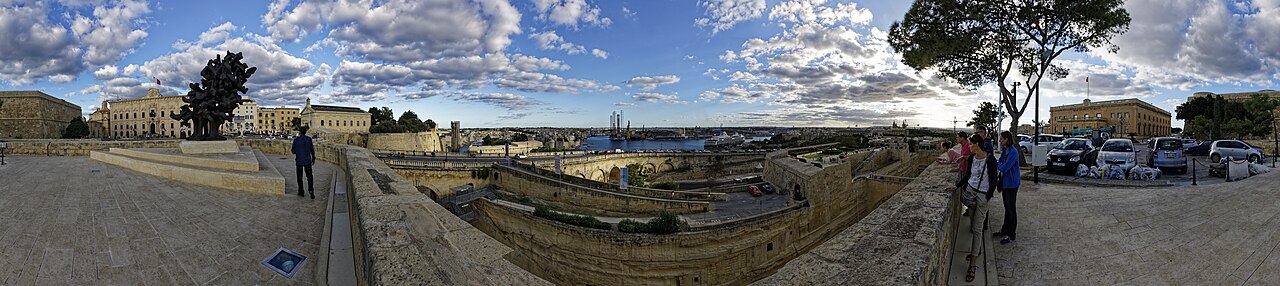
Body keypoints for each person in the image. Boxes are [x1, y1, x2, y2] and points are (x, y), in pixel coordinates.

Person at [944, 134, 997, 282]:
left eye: (971, 144)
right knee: (974, 227)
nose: (969, 146)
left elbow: (994, 179)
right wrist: (957, 186)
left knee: (978, 228)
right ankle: (977, 249)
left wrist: (987, 196)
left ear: (977, 144)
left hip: (982, 197)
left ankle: (972, 264)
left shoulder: (990, 159)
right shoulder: (973, 158)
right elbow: (968, 176)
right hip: (970, 194)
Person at [995, 131, 1021, 244]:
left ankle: (1011, 234)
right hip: (1006, 183)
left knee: (1011, 209)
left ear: (1006, 139)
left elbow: (1004, 167)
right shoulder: (1005, 150)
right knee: (1007, 207)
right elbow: (1000, 161)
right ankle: (1004, 230)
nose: (1000, 140)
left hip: (1011, 184)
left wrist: (998, 165)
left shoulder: (1013, 152)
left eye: (1001, 139)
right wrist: (999, 164)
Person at [291, 126, 316, 199]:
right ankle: (311, 190)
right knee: (309, 177)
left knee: (299, 177)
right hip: (307, 161)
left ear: (300, 132)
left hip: (299, 161)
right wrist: (313, 158)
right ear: (305, 131)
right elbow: (312, 150)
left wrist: (298, 151)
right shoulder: (309, 139)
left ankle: (301, 191)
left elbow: (293, 151)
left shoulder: (296, 140)